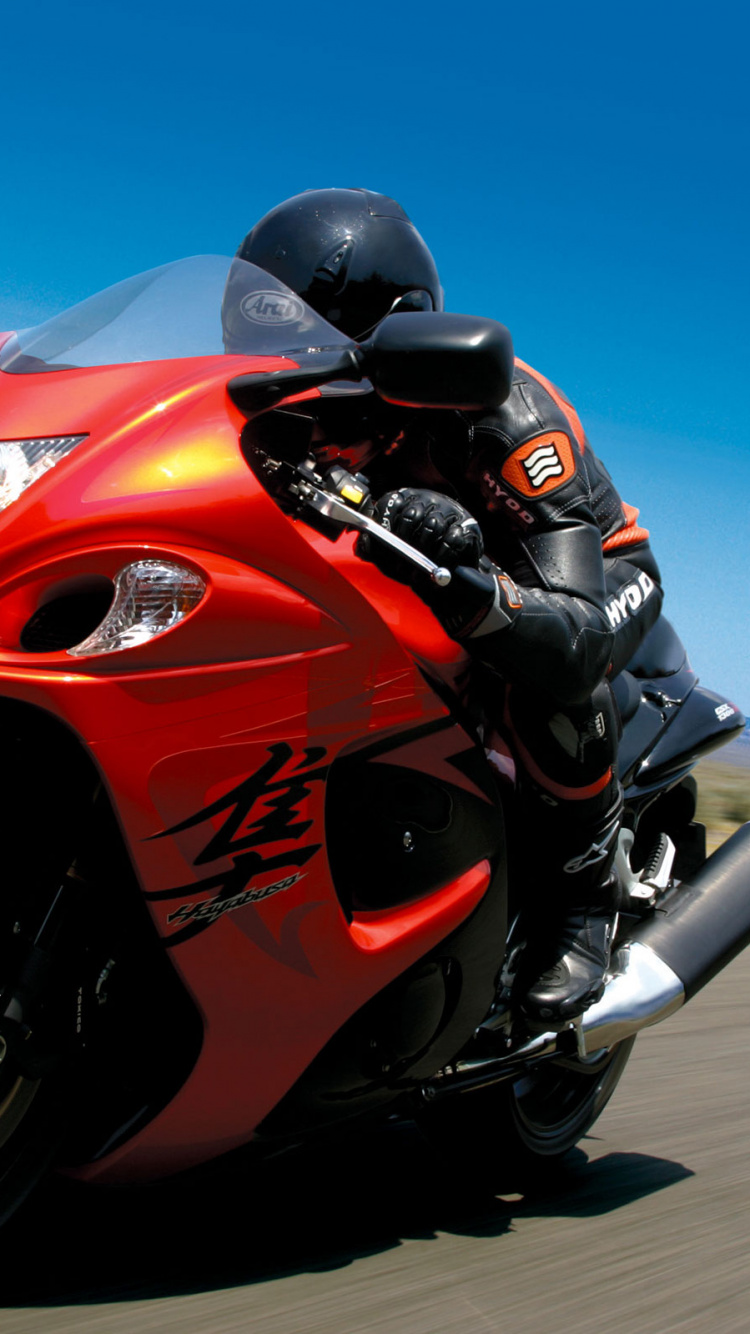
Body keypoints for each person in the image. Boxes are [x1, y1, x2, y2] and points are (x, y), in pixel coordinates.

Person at [236, 188, 665, 1025]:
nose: (284, 355)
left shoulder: (502, 417)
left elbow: (574, 629)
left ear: (396, 327)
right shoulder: (298, 407)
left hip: (590, 584)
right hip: (433, 573)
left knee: (533, 670)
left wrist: (474, 581)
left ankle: (582, 895)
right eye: (262, 332)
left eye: (304, 331)